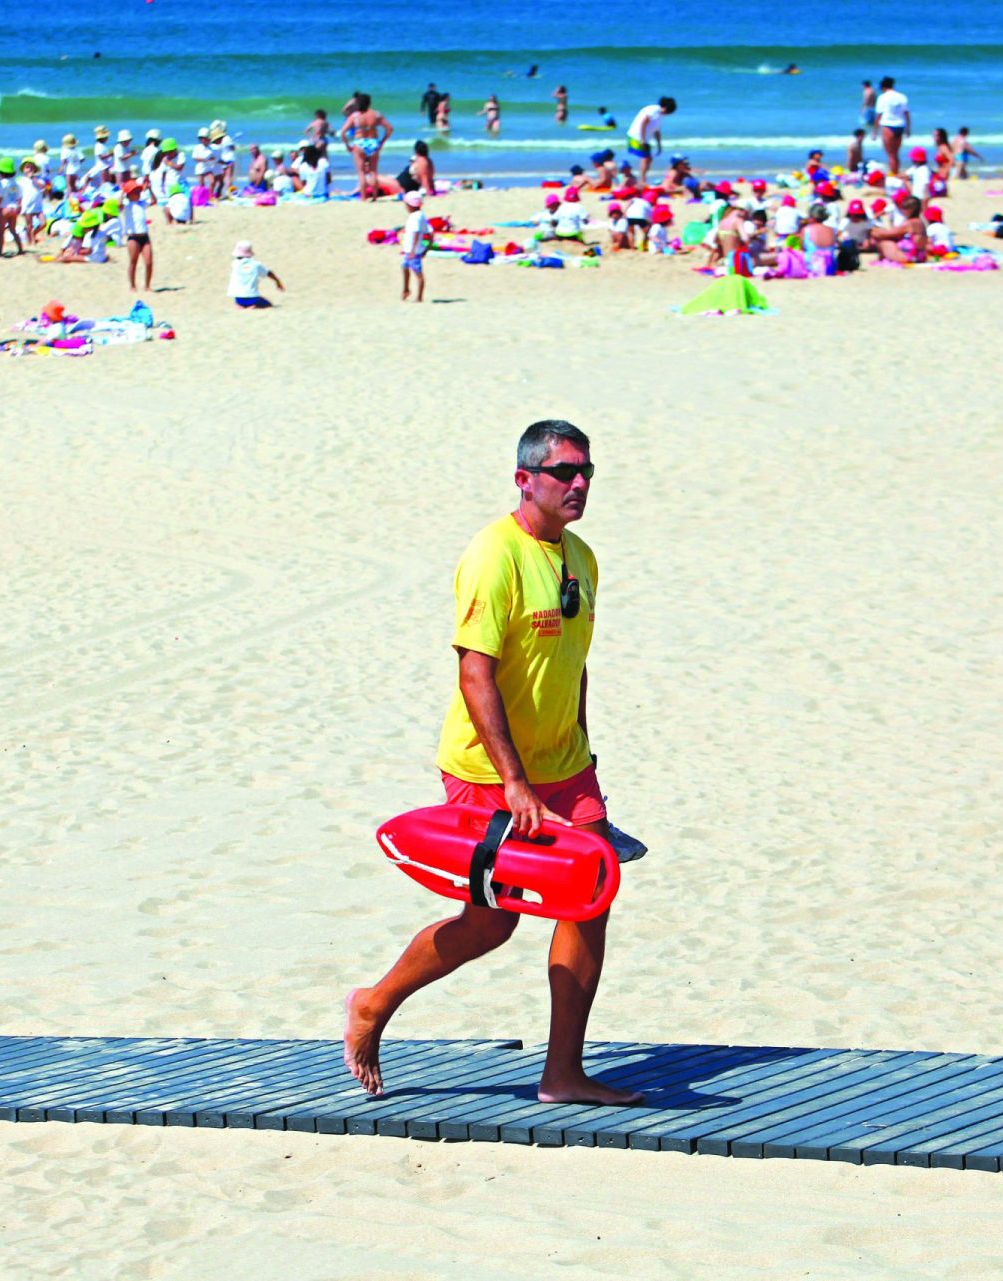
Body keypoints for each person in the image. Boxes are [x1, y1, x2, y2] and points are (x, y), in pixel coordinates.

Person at [345, 419, 640, 1108]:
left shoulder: (582, 559)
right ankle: (373, 1002)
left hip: (566, 766)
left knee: (591, 897)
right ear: (524, 479)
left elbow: (574, 665)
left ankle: (562, 1073)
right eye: (564, 472)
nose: (578, 484)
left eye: (586, 472)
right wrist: (512, 780)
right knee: (490, 920)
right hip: (487, 772)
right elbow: (475, 673)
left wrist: (585, 759)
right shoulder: (493, 556)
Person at [342, 94, 393, 201]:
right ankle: (374, 196)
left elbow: (343, 132)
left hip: (360, 143)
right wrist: (382, 142)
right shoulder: (376, 115)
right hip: (373, 142)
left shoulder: (355, 116)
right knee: (373, 171)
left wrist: (347, 145)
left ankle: (364, 197)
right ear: (369, 102)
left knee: (361, 173)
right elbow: (389, 129)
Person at [625, 96, 675, 185]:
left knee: (648, 159)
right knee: (645, 158)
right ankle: (642, 180)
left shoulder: (660, 115)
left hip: (644, 138)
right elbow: (643, 123)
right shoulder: (654, 110)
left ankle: (642, 179)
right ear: (666, 108)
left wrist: (659, 145)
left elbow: (657, 131)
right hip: (637, 137)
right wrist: (642, 139)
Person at [227, 240, 282, 308]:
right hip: (253, 297)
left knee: (241, 301)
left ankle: (241, 305)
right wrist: (277, 281)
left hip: (239, 298)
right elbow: (268, 273)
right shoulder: (256, 265)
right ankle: (253, 306)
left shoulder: (234, 264)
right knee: (269, 304)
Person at [399, 188, 430, 301]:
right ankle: (406, 289)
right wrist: (427, 247)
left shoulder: (416, 217)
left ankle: (419, 297)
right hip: (409, 250)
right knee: (404, 267)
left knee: (418, 273)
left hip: (413, 251)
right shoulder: (419, 215)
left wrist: (413, 250)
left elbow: (416, 233)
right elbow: (429, 233)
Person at [875, 76, 909, 175]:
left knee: (890, 154)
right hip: (900, 125)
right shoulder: (901, 97)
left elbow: (879, 115)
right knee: (895, 154)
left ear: (883, 87)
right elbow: (906, 114)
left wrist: (874, 131)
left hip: (888, 125)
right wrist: (908, 128)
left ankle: (894, 174)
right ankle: (896, 171)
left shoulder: (882, 97)